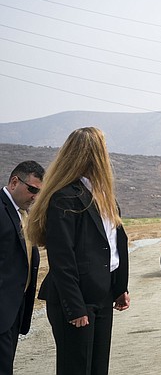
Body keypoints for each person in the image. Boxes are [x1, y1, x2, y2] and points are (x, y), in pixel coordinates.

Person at [27, 127, 130, 375]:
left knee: (97, 369)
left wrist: (119, 288)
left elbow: (112, 246)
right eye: (103, 148)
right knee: (76, 369)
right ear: (92, 154)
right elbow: (62, 258)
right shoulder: (65, 197)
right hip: (75, 300)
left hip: (103, 297)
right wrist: (74, 307)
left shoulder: (106, 196)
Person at [1, 161, 44, 375]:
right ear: (14, 182)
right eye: (32, 189)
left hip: (14, 311)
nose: (35, 196)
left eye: (39, 192)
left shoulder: (23, 215)